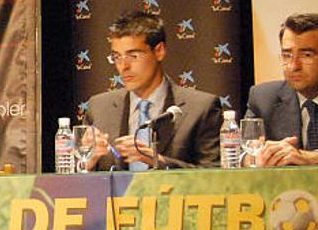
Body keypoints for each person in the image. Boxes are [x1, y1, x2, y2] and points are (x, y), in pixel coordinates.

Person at [84, 11, 221, 171]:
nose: (123, 66)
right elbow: (72, 181)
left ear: (159, 51)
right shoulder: (99, 108)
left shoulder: (201, 108)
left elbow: (214, 176)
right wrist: (88, 161)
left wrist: (157, 160)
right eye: (117, 57)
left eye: (133, 56)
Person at [246, 13, 318, 166]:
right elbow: (243, 152)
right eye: (287, 55)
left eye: (306, 55)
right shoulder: (263, 98)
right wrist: (254, 158)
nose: (294, 66)